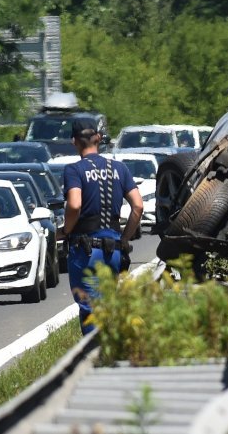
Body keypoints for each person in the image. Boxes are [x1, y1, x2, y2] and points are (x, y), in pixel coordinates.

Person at [60, 118, 144, 334]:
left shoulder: (74, 170)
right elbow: (138, 206)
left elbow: (75, 204)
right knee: (107, 306)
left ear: (74, 142)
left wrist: (65, 230)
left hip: (85, 250)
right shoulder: (120, 168)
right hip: (113, 249)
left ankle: (96, 358)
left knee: (90, 309)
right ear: (98, 138)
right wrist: (124, 239)